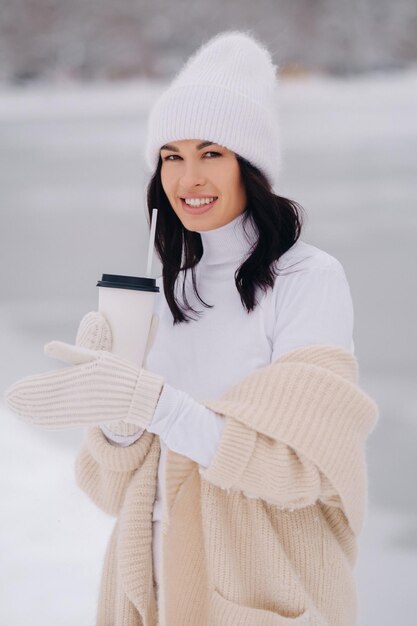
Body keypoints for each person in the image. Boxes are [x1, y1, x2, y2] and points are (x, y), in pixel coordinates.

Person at [5, 30, 379, 626]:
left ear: (249, 166)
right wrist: (117, 421)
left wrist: (157, 404)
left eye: (211, 153)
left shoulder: (309, 279)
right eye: (171, 156)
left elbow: (304, 470)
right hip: (147, 586)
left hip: (260, 591)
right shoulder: (162, 288)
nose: (188, 178)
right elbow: (109, 491)